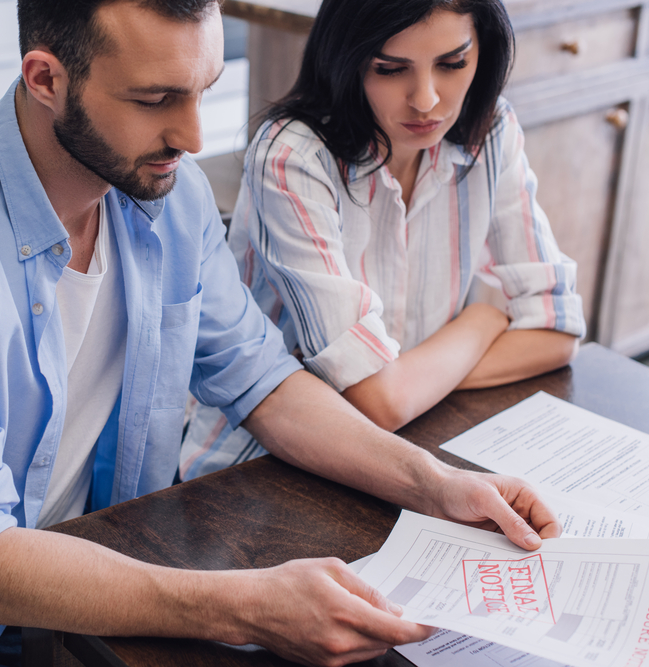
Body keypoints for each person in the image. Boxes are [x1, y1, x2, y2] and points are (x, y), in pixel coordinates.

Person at [0, 1, 561, 665]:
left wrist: (436, 485)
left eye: (203, 91)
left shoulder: (165, 195)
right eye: (156, 99)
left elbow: (263, 381)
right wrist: (244, 606)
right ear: (45, 79)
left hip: (88, 605)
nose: (192, 137)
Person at [181, 0, 587, 481]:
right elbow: (377, 400)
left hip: (420, 440)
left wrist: (410, 385)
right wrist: (486, 317)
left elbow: (557, 334)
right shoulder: (293, 157)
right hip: (258, 469)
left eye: (453, 63)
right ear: (348, 60)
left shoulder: (490, 130)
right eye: (391, 70)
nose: (426, 100)